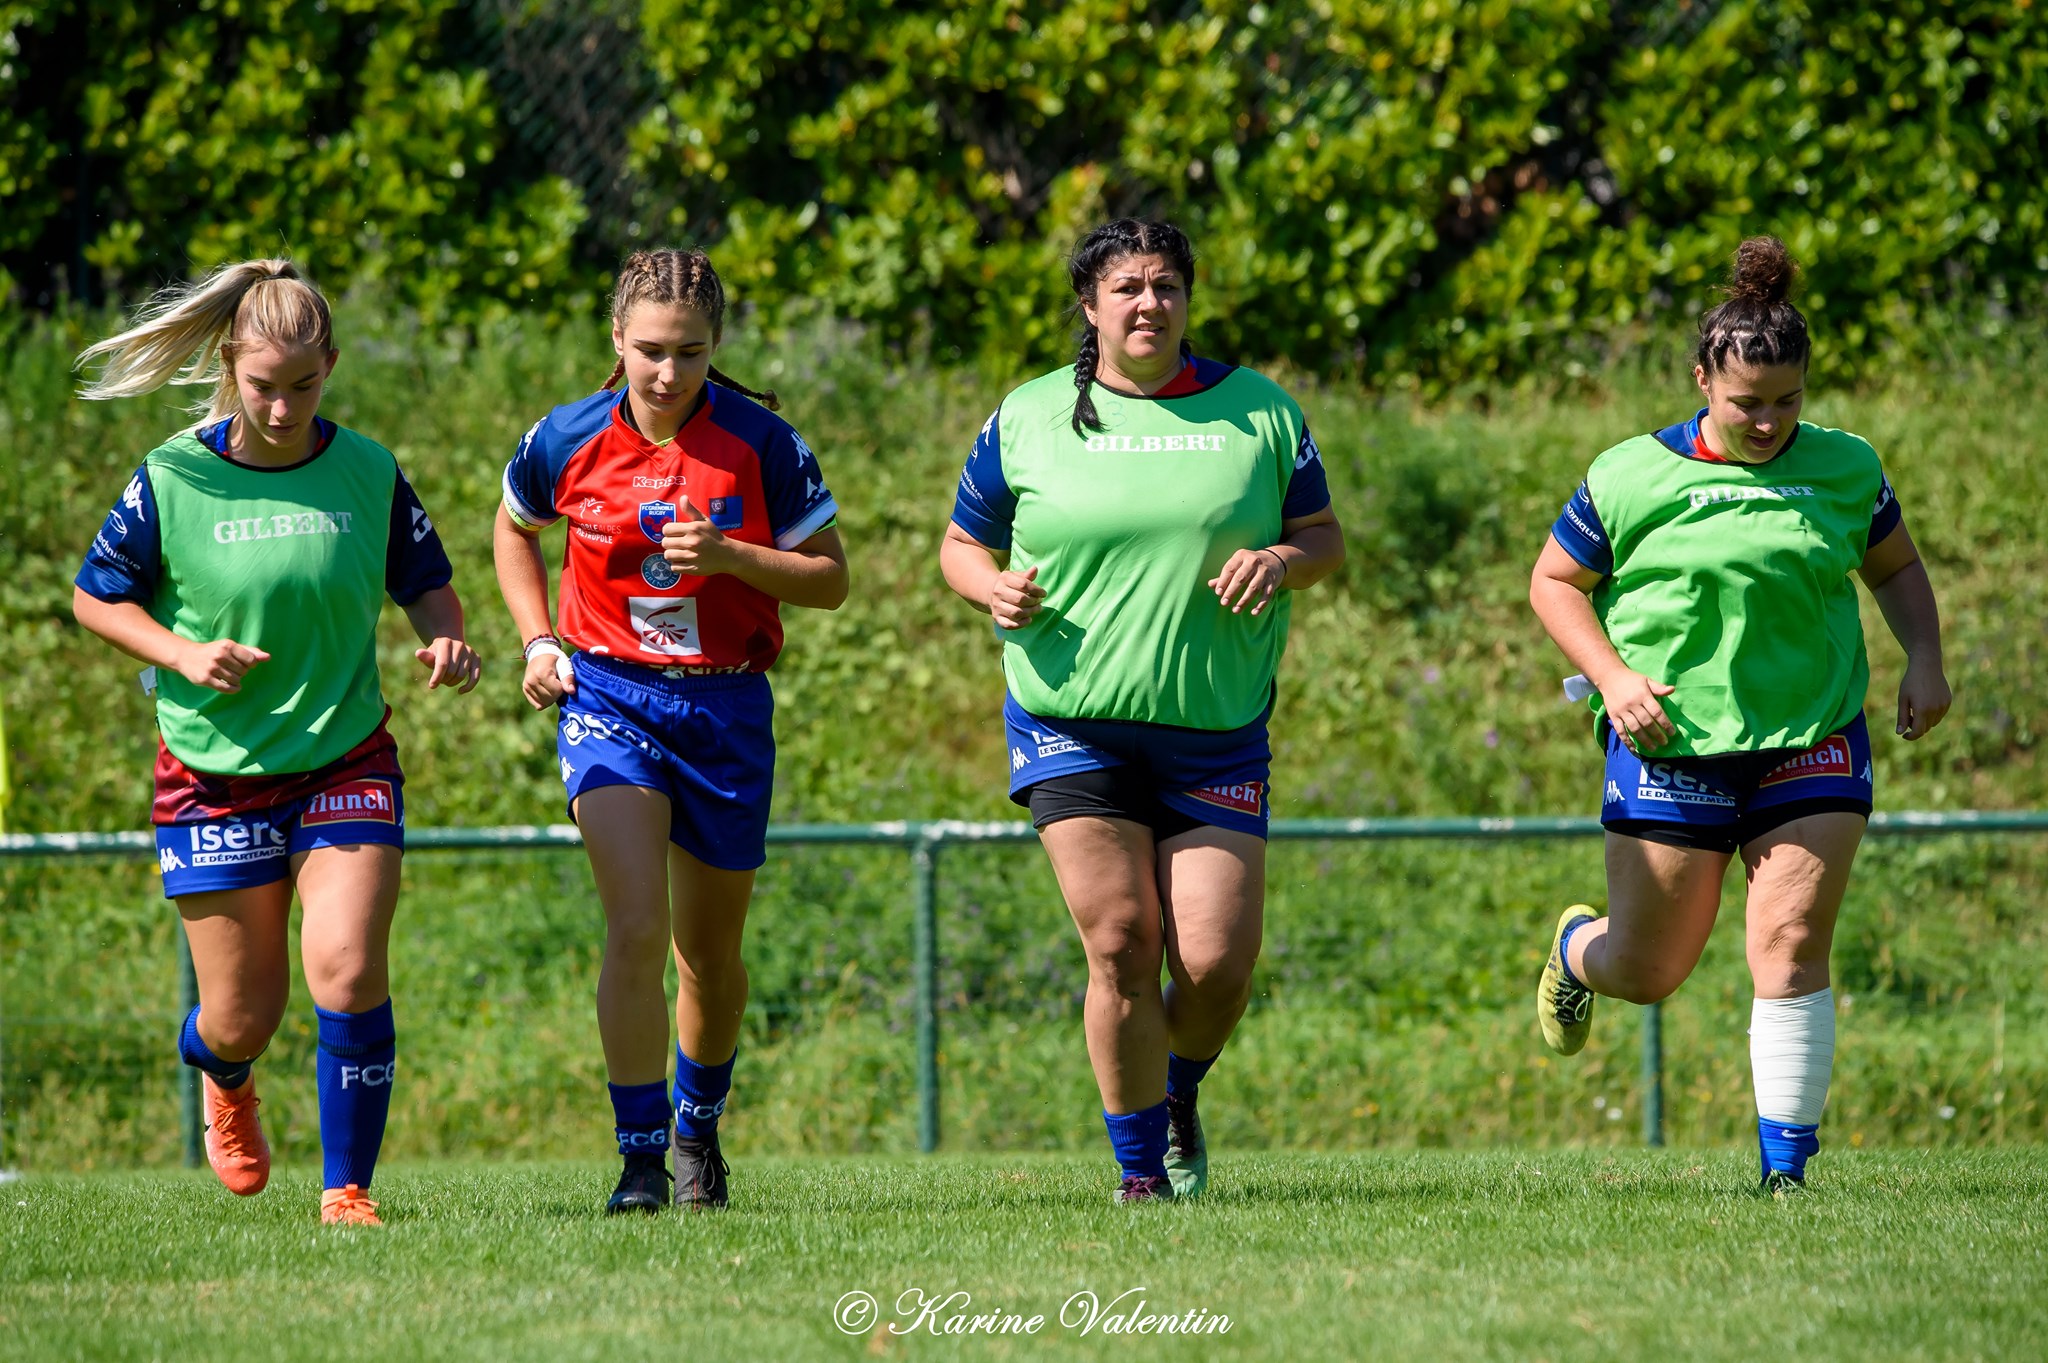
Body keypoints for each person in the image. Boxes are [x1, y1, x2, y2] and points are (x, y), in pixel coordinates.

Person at [1529, 236, 1951, 1190]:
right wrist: (1615, 678)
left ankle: (1786, 1178)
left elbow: (1895, 566)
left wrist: (1924, 658)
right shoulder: (1629, 473)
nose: (1768, 422)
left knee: (1792, 942)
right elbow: (1554, 582)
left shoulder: (1847, 466)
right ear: (1702, 381)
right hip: (1671, 740)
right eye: (1746, 403)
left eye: (1787, 401)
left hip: (1814, 733)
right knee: (1650, 969)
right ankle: (1575, 950)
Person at [940, 219, 1345, 1203]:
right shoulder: (1029, 414)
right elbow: (960, 543)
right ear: (1090, 306)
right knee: (1121, 939)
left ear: (1187, 299)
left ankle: (1176, 1091)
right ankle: (1138, 1177)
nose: (1147, 304)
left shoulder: (1261, 412)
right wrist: (990, 587)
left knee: (1215, 966)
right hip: (1069, 722)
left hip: (1215, 730)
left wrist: (1279, 559)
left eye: (1165, 286)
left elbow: (1323, 537)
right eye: (1126, 288)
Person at [71, 259, 480, 1226]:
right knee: (242, 1014)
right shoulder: (172, 474)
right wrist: (183, 652)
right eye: (263, 386)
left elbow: (425, 582)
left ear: (330, 365)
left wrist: (446, 636)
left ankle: (348, 1192)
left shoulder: (368, 469)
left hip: (346, 756)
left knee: (348, 965)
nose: (285, 407)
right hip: (213, 775)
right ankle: (223, 1069)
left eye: (304, 384)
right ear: (229, 365)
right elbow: (96, 597)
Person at [494, 248, 847, 1214]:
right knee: (637, 925)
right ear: (617, 339)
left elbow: (830, 579)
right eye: (649, 350)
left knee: (711, 960)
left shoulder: (764, 444)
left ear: (715, 344)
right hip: (609, 699)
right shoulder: (566, 436)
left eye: (689, 352)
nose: (666, 371)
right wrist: (538, 639)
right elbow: (513, 527)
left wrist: (732, 555)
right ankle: (642, 1159)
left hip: (725, 709)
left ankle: (698, 1128)